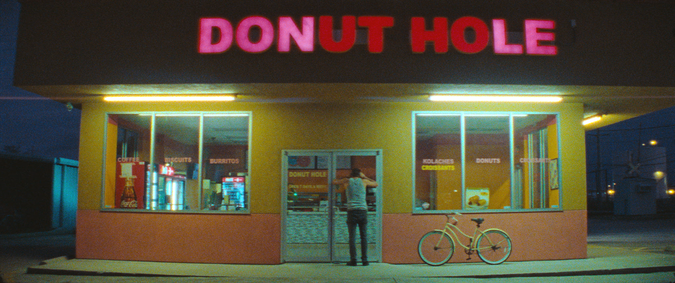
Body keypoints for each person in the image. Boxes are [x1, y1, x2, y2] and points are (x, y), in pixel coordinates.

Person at [332, 168, 378, 266]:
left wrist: (346, 177)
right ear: (360, 174)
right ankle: (365, 260)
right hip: (362, 211)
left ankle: (353, 260)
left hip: (352, 211)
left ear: (351, 174)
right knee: (364, 237)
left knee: (352, 237)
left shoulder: (347, 181)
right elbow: (376, 183)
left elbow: (334, 182)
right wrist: (365, 176)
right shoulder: (364, 181)